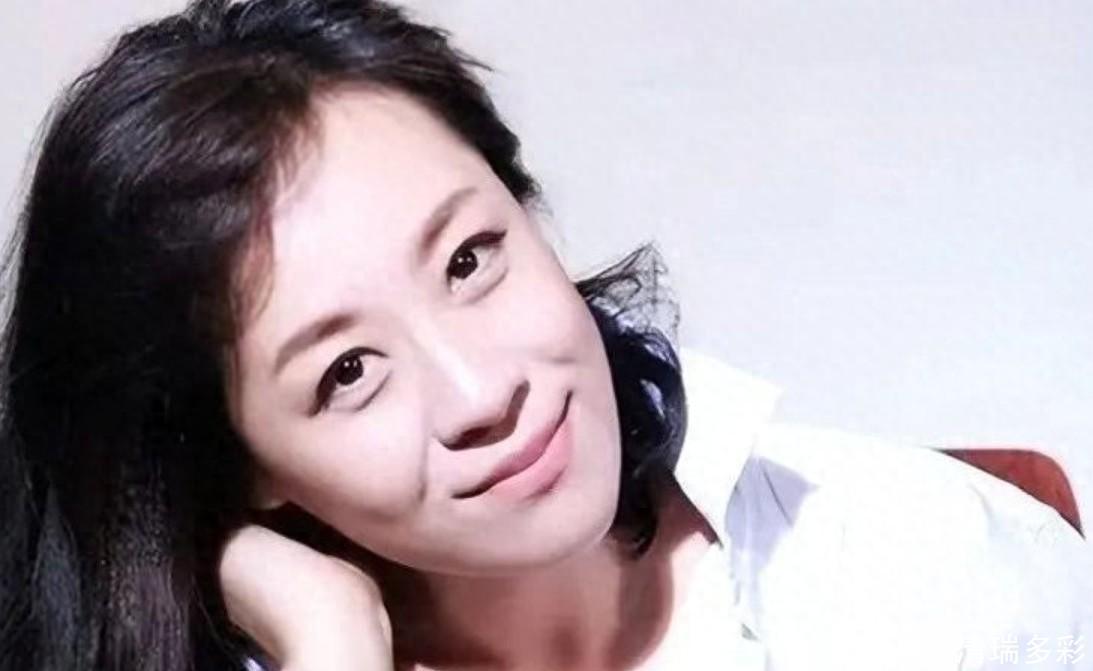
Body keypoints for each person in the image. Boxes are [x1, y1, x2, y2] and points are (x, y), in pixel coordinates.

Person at [0, 1, 1089, 670]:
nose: (482, 391)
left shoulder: (922, 567)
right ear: (241, 463)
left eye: (469, 259)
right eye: (347, 371)